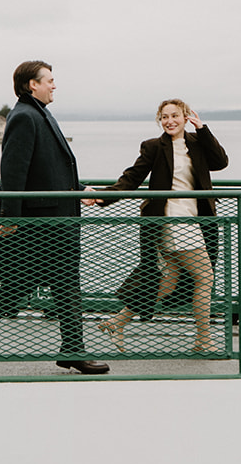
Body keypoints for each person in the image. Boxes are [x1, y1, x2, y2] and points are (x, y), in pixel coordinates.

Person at [0, 61, 109, 375]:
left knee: (40, 282)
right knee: (47, 282)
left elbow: (48, 171)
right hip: (41, 222)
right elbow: (13, 173)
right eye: (50, 81)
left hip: (54, 218)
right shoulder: (25, 117)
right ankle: (71, 350)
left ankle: (69, 348)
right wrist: (11, 220)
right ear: (32, 84)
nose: (54, 85)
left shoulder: (37, 113)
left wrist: (80, 189)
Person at [86, 99, 229, 353]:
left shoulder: (197, 144)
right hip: (172, 220)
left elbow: (220, 161)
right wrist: (101, 196)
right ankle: (203, 342)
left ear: (186, 117)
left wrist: (203, 129)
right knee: (205, 277)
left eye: (175, 115)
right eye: (164, 117)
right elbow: (131, 178)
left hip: (195, 221)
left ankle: (117, 322)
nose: (169, 121)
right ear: (159, 120)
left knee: (171, 280)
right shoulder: (153, 147)